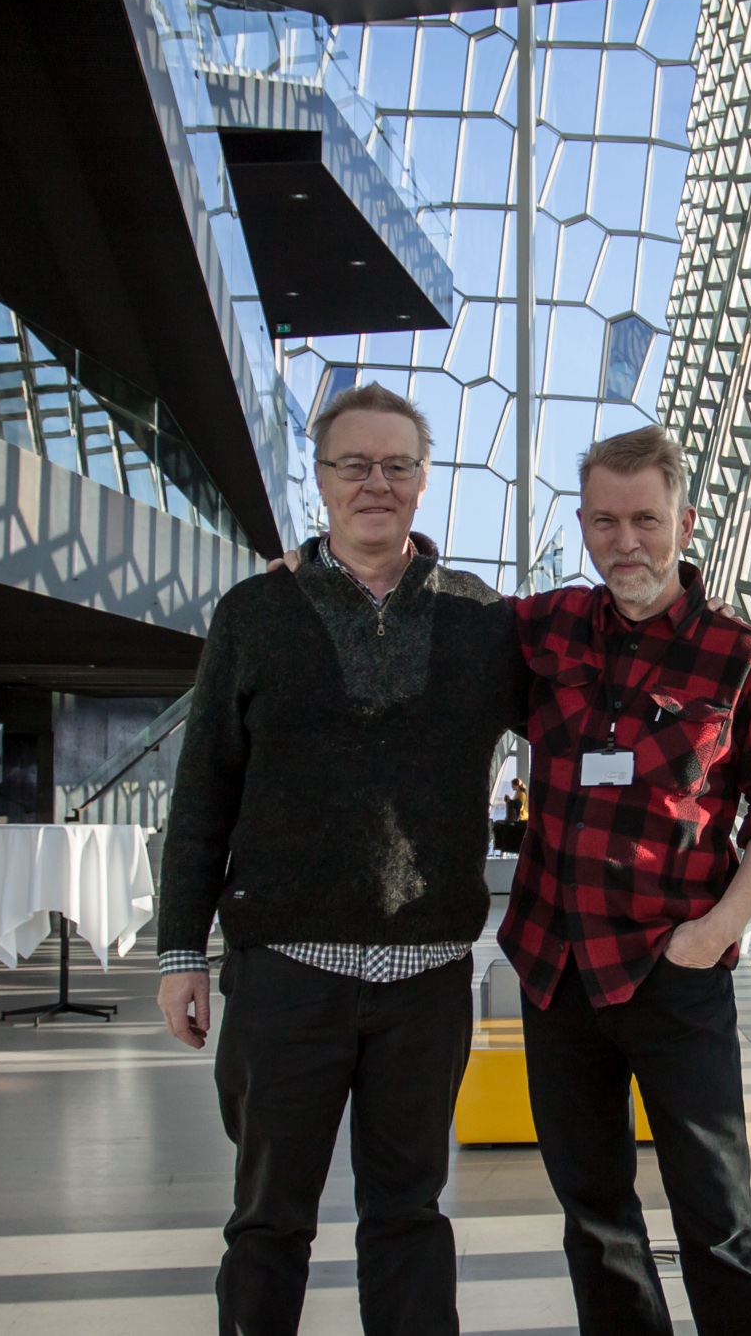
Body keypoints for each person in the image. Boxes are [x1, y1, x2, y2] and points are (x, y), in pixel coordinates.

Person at [155, 382, 527, 1336]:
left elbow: (586, 689)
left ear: (424, 478)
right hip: (287, 974)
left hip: (425, 979)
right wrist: (180, 952)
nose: (376, 482)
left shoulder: (485, 622)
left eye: (397, 464)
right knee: (268, 1218)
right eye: (354, 464)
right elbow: (203, 790)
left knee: (409, 1214)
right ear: (319, 479)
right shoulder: (254, 612)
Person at [502, 426, 751, 1336]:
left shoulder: (740, 657)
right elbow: (433, 610)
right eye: (605, 521)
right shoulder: (546, 628)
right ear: (582, 524)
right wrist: (316, 565)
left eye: (645, 519)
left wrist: (713, 935)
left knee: (717, 1217)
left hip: (673, 972)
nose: (625, 541)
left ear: (685, 520)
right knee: (595, 1218)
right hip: (556, 971)